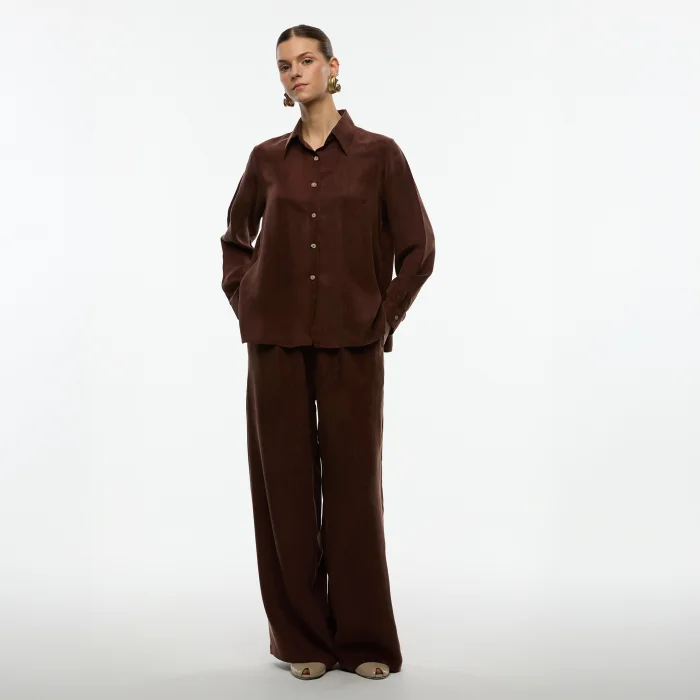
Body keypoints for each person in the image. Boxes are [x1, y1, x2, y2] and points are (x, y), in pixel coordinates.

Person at [220, 24, 435, 681]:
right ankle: (301, 638)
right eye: (284, 65)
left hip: (353, 343)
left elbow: (418, 249)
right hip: (275, 343)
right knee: (284, 490)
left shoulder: (379, 155)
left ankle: (365, 637)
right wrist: (247, 299)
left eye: (306, 60)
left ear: (332, 67)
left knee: (353, 490)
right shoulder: (266, 160)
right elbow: (236, 239)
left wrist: (383, 318)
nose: (295, 73)